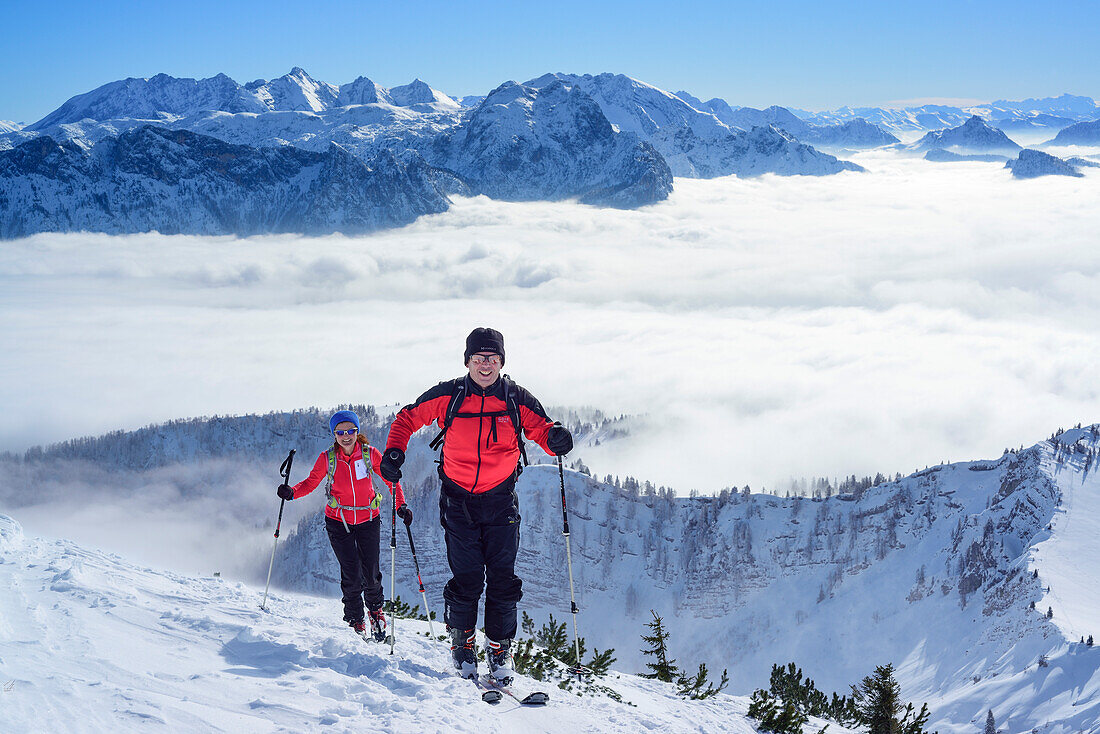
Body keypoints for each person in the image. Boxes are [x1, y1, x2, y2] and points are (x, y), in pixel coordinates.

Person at [378, 327, 573, 682]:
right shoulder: (449, 395)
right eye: (479, 358)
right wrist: (394, 450)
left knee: (503, 579)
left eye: (492, 358)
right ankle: (463, 642)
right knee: (466, 578)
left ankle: (499, 648)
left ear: (501, 361)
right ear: (467, 360)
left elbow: (542, 428)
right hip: (458, 501)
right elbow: (407, 418)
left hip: (500, 501)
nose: (486, 364)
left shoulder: (515, 398)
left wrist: (556, 437)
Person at [277, 409, 412, 642]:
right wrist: (291, 493)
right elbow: (311, 483)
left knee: (370, 572)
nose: (346, 435)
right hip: (339, 522)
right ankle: (355, 620)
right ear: (334, 434)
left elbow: (391, 479)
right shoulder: (327, 458)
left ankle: (375, 613)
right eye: (340, 432)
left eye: (350, 430)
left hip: (368, 519)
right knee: (351, 573)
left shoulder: (370, 455)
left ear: (357, 432)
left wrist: (401, 506)